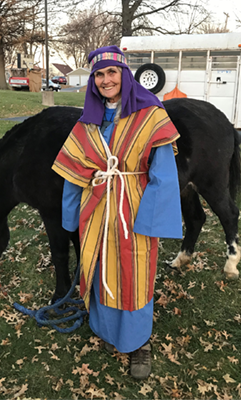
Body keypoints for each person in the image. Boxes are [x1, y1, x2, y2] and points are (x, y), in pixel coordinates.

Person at [52, 45, 182, 380]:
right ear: (93, 81)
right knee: (99, 265)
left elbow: (164, 173)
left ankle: (138, 342)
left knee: (133, 273)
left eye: (112, 72)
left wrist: (151, 221)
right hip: (96, 209)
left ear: (124, 75)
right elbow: (72, 173)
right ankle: (104, 326)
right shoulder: (88, 123)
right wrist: (70, 218)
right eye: (99, 74)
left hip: (134, 207)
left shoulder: (151, 115)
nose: (105, 80)